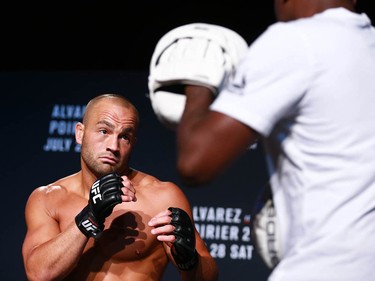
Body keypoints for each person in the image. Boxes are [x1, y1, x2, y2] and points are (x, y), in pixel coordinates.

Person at [149, 0, 375, 280]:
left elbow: (195, 162)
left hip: (323, 267)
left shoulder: (295, 40)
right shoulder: (367, 44)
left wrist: (198, 82)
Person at [22, 93, 219, 281]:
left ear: (133, 143)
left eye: (124, 136)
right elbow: (39, 274)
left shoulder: (162, 198)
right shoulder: (47, 199)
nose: (113, 146)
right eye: (104, 131)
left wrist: (190, 261)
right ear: (80, 133)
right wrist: (90, 216)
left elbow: (208, 276)